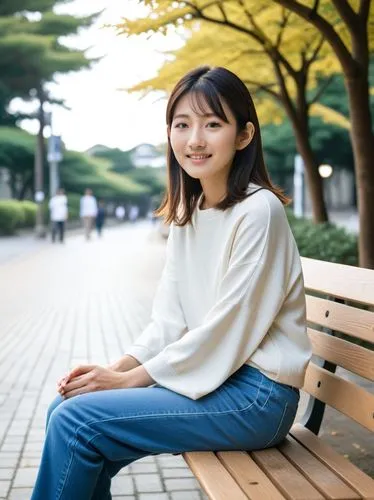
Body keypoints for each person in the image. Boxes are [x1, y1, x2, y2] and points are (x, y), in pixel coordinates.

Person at [31, 66, 312, 499]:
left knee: (77, 422)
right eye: (182, 125)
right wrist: (117, 369)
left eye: (213, 124)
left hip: (259, 397)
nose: (195, 139)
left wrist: (132, 382)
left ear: (244, 135)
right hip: (217, 380)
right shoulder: (190, 213)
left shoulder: (259, 212)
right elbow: (168, 321)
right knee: (65, 409)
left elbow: (226, 330)